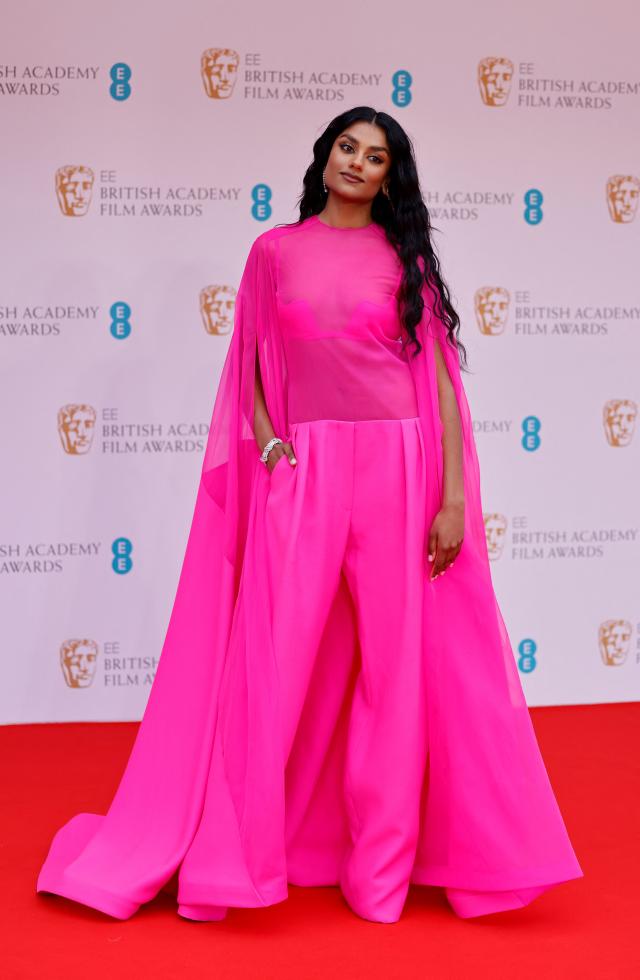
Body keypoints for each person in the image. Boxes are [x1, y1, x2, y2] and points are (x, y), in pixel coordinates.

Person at [36, 106, 583, 925]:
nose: (358, 163)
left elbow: (439, 384)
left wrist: (454, 499)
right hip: (307, 470)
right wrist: (270, 448)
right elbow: (252, 363)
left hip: (401, 469)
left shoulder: (405, 261)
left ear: (390, 177)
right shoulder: (274, 252)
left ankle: (381, 877)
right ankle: (233, 858)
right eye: (347, 148)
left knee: (396, 676)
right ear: (324, 157)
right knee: (271, 660)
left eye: (376, 156)